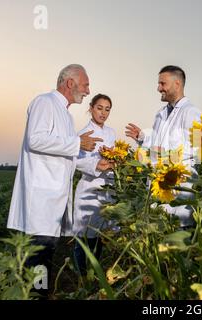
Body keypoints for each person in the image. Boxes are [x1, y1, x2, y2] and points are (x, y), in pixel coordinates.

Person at [7, 64, 114, 297]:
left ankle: (38, 293)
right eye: (85, 85)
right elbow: (35, 140)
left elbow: (65, 157)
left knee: (45, 252)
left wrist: (96, 164)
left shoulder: (64, 113)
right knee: (39, 254)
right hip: (42, 197)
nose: (87, 90)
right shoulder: (45, 102)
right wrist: (77, 143)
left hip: (53, 196)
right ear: (70, 83)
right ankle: (36, 295)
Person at [125, 65, 201, 227]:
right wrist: (142, 137)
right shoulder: (160, 114)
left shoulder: (191, 113)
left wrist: (167, 155)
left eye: (162, 84)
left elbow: (196, 150)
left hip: (179, 191)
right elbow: (159, 142)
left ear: (177, 84)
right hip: (159, 187)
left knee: (177, 240)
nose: (158, 88)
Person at [70, 93, 116, 277]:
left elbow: (112, 155)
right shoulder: (83, 134)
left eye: (107, 109)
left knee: (99, 235)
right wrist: (96, 164)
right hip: (89, 188)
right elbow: (75, 161)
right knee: (83, 236)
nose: (103, 113)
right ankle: (80, 277)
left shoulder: (111, 133)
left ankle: (95, 274)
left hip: (106, 189)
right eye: (99, 108)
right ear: (91, 108)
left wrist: (115, 160)